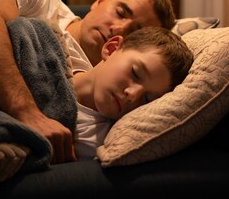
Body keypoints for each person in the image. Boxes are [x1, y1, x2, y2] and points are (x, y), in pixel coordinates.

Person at [0, 0, 178, 163]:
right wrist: (27, 113)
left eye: (134, 32)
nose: (118, 29)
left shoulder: (104, 96)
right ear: (101, 0)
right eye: (120, 12)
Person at [69, 25, 192, 162]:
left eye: (147, 99)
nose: (133, 95)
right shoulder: (59, 48)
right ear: (112, 49)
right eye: (135, 73)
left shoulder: (95, 143)